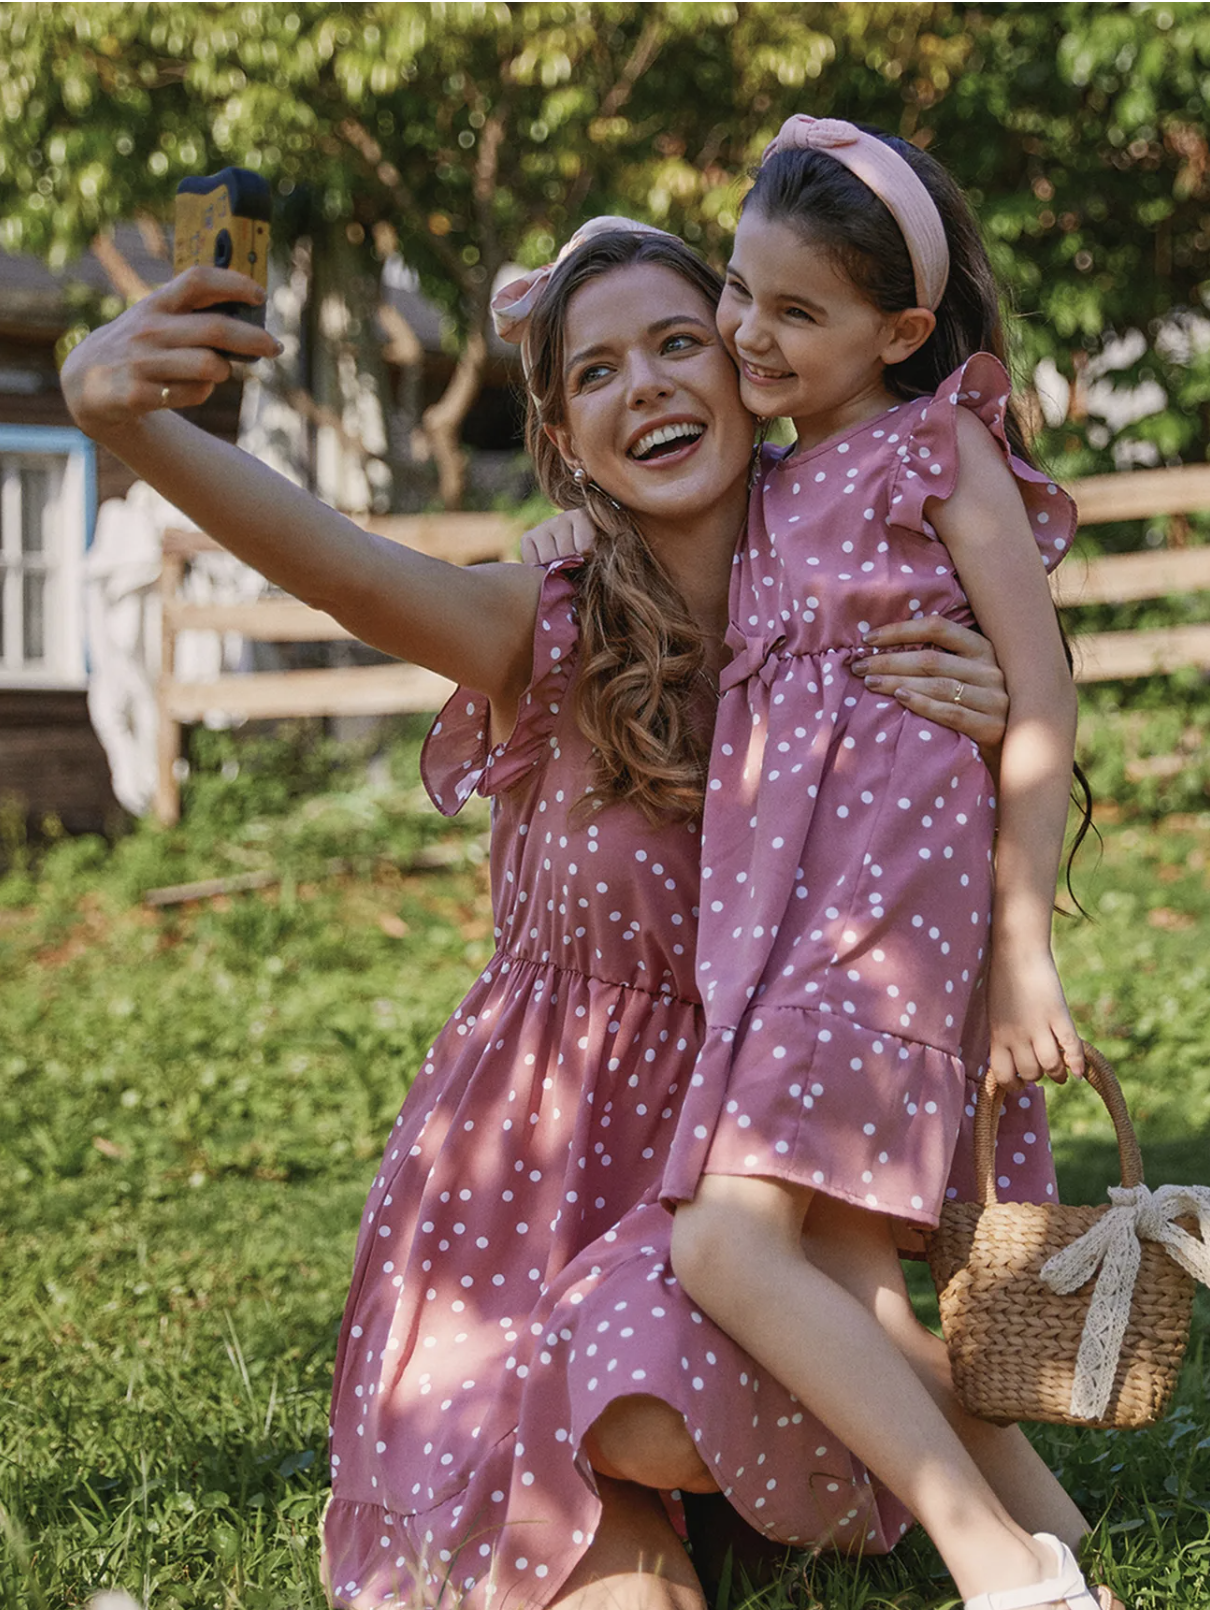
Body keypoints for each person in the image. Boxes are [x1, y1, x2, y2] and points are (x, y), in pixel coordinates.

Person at [59, 233, 1084, 1610]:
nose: (642, 385)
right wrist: (125, 421)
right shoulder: (540, 622)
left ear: (749, 366)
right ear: (560, 438)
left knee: (668, 1376)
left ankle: (934, 1514)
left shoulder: (863, 596)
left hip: (743, 1197)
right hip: (523, 1213)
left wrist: (993, 715)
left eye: (677, 342)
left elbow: (997, 760)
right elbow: (343, 569)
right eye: (593, 372)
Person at [539, 118, 1114, 1610]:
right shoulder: (774, 476)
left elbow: (1042, 698)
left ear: (900, 334)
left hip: (878, 917)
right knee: (849, 1272)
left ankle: (1005, 1571)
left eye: (794, 311)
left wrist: (1024, 952)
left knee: (728, 1247)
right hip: (781, 926)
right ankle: (1055, 1531)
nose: (747, 333)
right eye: (738, 291)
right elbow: (587, 390)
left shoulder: (938, 444)